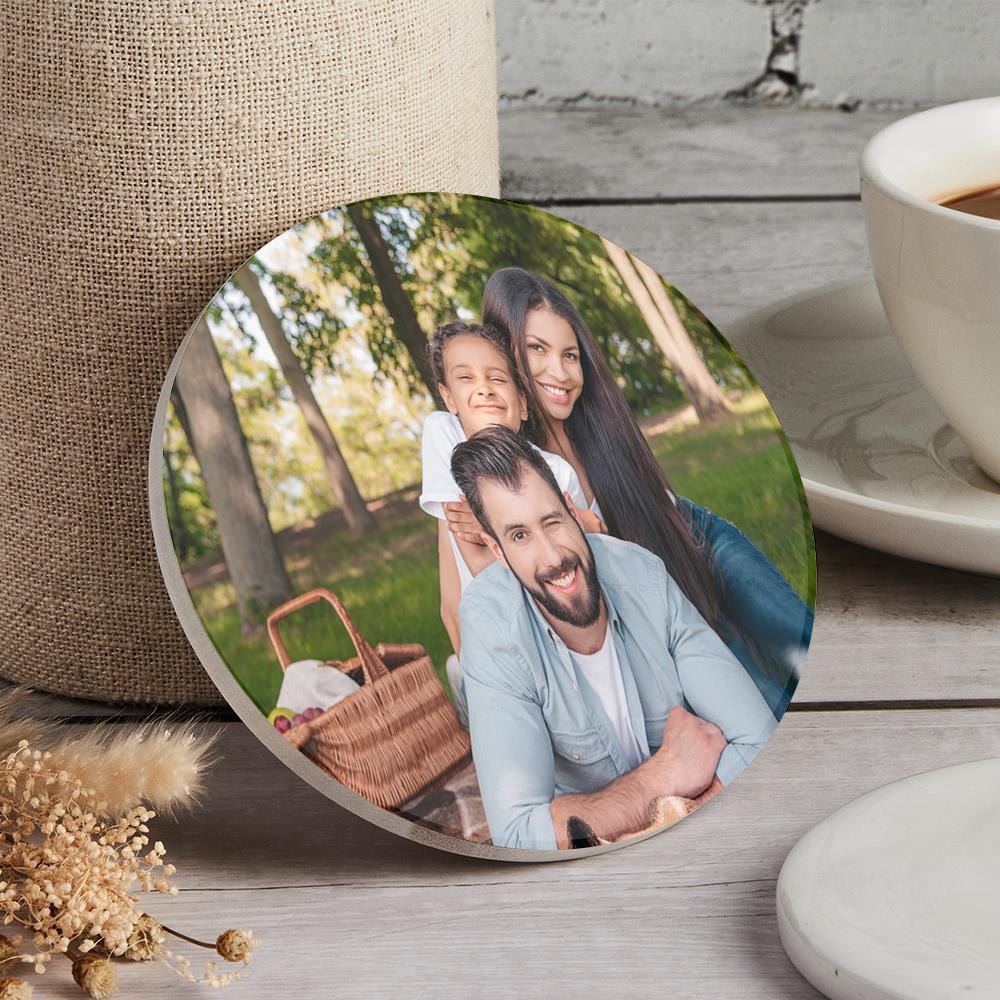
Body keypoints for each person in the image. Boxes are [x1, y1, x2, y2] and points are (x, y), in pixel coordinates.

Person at [440, 267, 811, 717]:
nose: (560, 371)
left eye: (570, 355)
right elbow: (459, 608)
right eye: (538, 349)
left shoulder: (598, 427)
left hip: (692, 537)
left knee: (800, 640)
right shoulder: (493, 471)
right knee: (765, 701)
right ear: (506, 353)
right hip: (652, 610)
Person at [451, 425, 777, 851]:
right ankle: (466, 684)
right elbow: (517, 834)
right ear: (497, 551)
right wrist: (666, 775)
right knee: (473, 685)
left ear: (571, 510)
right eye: (519, 536)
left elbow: (758, 739)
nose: (552, 557)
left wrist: (675, 814)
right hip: (500, 669)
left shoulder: (643, 576)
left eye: (552, 522)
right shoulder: (491, 626)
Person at [418, 321, 605, 712]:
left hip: (554, 631)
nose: (483, 387)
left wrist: (584, 524)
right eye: (466, 378)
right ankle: (467, 680)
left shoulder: (557, 471)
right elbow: (479, 569)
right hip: (490, 640)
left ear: (522, 403)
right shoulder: (444, 435)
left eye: (496, 378)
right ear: (449, 398)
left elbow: (587, 553)